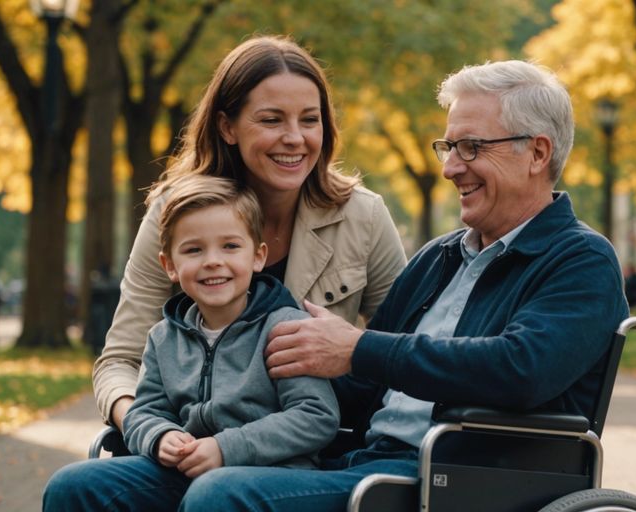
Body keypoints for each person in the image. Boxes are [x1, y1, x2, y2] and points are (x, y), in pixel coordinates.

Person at [173, 60, 630, 511]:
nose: (451, 167)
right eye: (448, 147)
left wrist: (357, 348)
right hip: (360, 460)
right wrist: (219, 410)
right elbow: (355, 387)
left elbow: (520, 370)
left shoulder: (579, 260)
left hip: (454, 478)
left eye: (470, 147)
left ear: (537, 153)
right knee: (114, 483)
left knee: (221, 495)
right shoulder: (441, 256)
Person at [92, 35, 406, 434]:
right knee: (76, 487)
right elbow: (120, 360)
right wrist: (145, 429)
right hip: (184, 446)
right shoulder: (174, 212)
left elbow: (403, 352)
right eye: (272, 120)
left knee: (216, 495)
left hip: (312, 450)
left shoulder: (362, 215)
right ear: (227, 127)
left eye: (310, 120)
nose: (295, 138)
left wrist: (349, 352)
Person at [43, 175, 340, 509]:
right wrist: (160, 437)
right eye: (194, 250)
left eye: (230, 246)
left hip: (271, 475)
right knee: (71, 485)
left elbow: (316, 415)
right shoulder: (164, 338)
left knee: (211, 493)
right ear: (170, 265)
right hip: (188, 469)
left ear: (257, 257)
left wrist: (227, 448)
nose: (212, 260)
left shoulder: (286, 328)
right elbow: (146, 410)